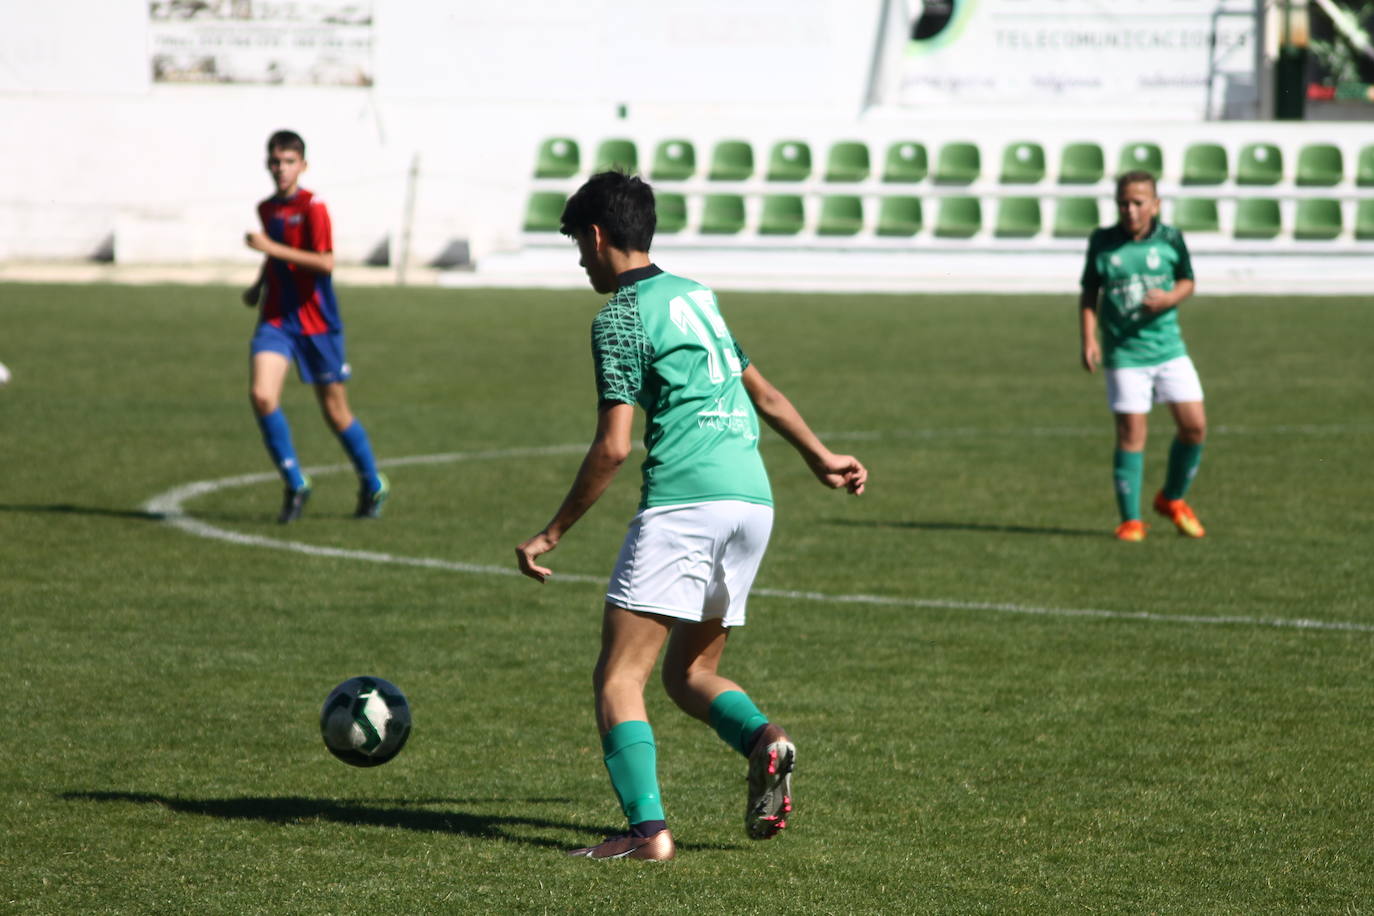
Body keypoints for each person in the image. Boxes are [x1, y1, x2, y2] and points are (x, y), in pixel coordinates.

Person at [515, 171, 867, 861]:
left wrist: (551, 532)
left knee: (619, 677)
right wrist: (821, 457)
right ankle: (766, 740)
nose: (581, 262)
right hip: (752, 502)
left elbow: (615, 446)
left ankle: (648, 834)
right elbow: (761, 393)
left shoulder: (619, 316)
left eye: (578, 248)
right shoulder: (696, 296)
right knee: (689, 675)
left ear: (597, 236)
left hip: (685, 503)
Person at [242, 129, 388, 523]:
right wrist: (258, 286)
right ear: (267, 164)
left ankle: (372, 482)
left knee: (335, 411)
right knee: (261, 395)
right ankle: (295, 482)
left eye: (289, 161)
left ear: (302, 166)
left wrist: (270, 249)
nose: (281, 169)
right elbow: (275, 258)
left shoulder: (314, 207)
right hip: (276, 318)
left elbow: (325, 262)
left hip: (316, 322)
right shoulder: (267, 208)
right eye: (275, 161)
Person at [1079, 170, 1207, 541]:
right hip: (1125, 354)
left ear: (1155, 204)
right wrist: (1089, 338)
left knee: (1195, 426)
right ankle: (1131, 520)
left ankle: (1172, 499)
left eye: (1138, 202)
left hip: (1169, 349)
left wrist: (1169, 298)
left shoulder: (1171, 239)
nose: (1130, 210)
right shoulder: (1103, 242)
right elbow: (1089, 292)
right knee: (1132, 434)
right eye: (1123, 203)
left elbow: (1188, 279)